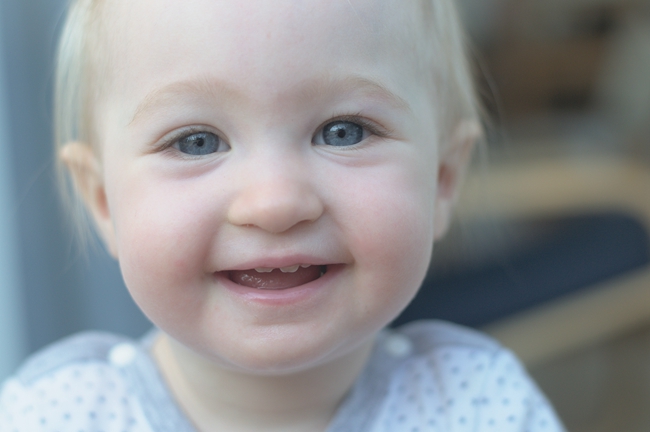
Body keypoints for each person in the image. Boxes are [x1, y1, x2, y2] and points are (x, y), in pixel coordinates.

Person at [0, 0, 565, 431]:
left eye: (343, 132)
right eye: (197, 142)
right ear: (103, 201)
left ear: (442, 181)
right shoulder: (54, 418)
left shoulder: (483, 407)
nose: (274, 204)